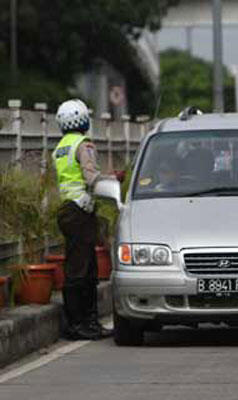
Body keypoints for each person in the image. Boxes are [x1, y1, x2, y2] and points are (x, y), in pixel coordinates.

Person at [52, 99, 113, 340]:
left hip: (67, 210)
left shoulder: (60, 147)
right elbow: (90, 177)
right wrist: (111, 182)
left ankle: (82, 322)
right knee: (84, 270)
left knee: (77, 265)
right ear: (83, 120)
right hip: (81, 212)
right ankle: (81, 324)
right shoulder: (83, 144)